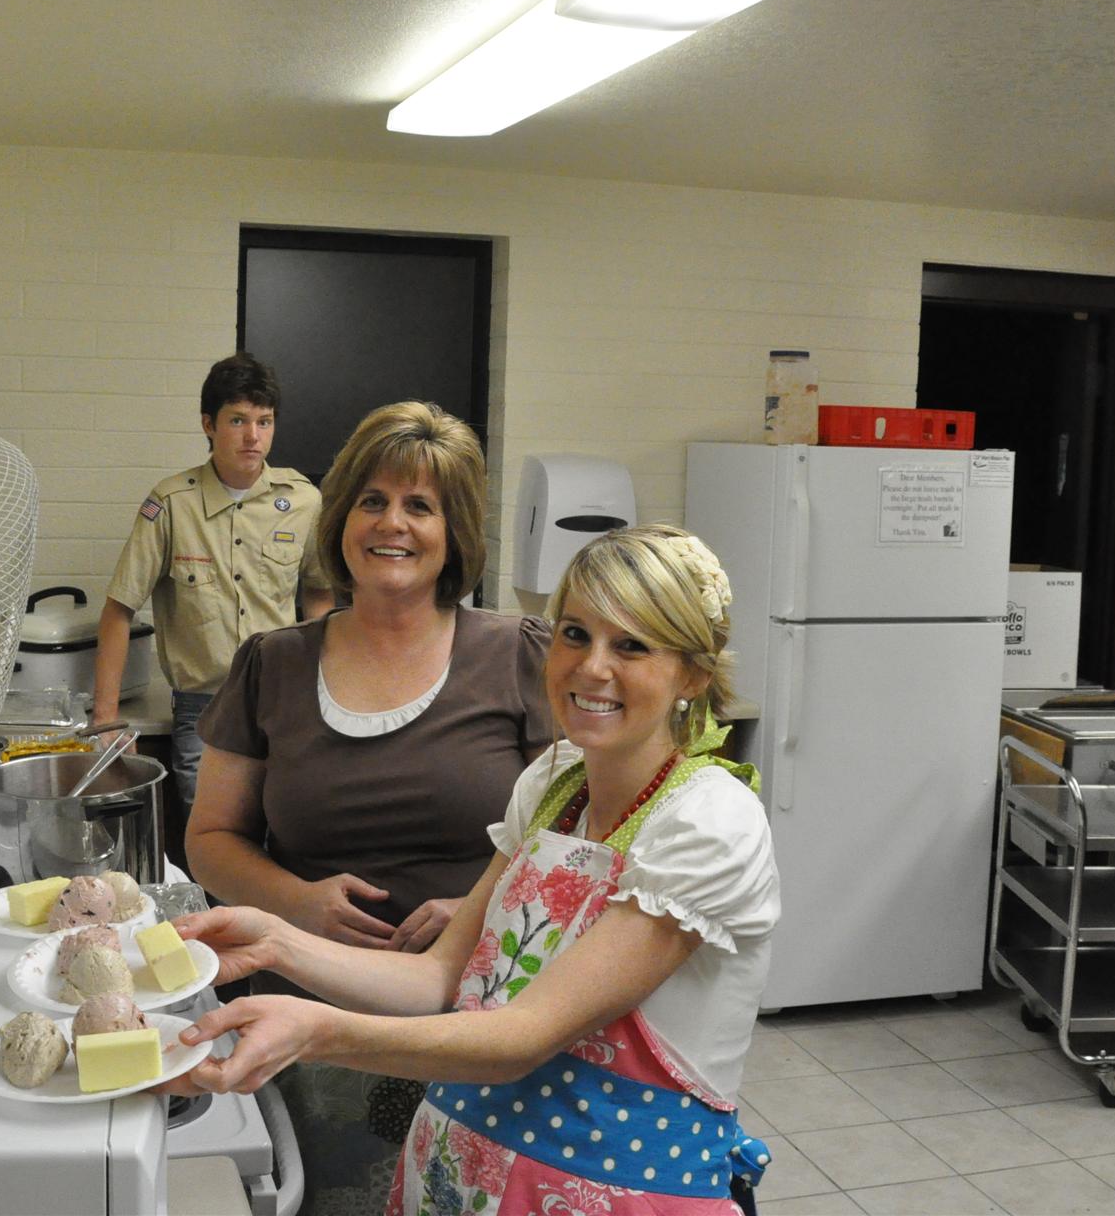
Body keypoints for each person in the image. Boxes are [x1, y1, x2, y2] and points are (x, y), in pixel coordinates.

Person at [176, 524, 781, 1216]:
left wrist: (317, 1032)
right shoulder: (553, 785)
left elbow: (522, 1037)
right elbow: (440, 977)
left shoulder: (706, 823)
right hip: (459, 1176)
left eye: (632, 645)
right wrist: (277, 941)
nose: (591, 668)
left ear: (694, 674)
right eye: (575, 634)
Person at [188, 400, 556, 1213]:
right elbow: (210, 837)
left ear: (454, 532)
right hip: (307, 1022)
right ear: (342, 518)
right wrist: (296, 902)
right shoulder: (272, 665)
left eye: (421, 505)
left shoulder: (518, 656)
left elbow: (573, 841)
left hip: (475, 1016)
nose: (393, 523)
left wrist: (478, 906)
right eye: (373, 500)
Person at [94, 353, 333, 816]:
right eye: (238, 420)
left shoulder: (304, 501)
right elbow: (119, 609)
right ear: (209, 424)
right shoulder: (172, 503)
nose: (253, 436)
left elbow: (320, 594)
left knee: (285, 824)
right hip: (204, 708)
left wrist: (322, 683)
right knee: (209, 832)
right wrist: (106, 719)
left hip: (283, 699)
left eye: (264, 421)